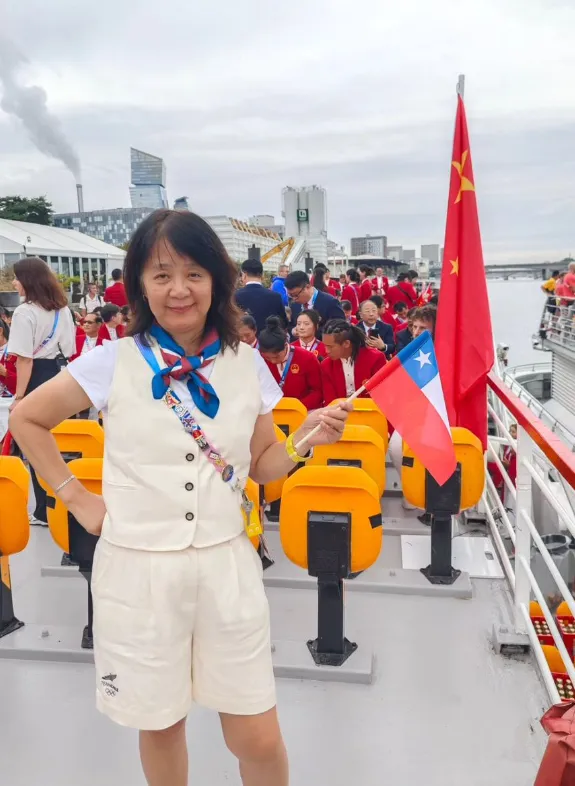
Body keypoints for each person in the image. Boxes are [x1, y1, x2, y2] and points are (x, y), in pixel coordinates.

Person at [9, 208, 349, 786]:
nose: (178, 289)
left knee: (256, 734)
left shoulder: (246, 366)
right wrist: (75, 498)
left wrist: (306, 439)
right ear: (140, 283)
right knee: (161, 725)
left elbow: (265, 468)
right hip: (138, 570)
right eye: (161, 274)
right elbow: (27, 420)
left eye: (193, 273)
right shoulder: (110, 361)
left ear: (215, 279)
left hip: (226, 566)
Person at [7, 257, 75, 525]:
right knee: (62, 442)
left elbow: (24, 359)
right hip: (60, 375)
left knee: (35, 444)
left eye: (17, 277)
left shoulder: (25, 312)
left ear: (28, 281)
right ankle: (63, 502)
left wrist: (19, 397)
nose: (14, 282)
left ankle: (43, 510)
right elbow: (69, 349)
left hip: (34, 378)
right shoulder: (62, 309)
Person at [259, 316, 323, 410]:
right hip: (271, 412)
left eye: (276, 356)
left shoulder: (307, 358)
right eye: (268, 358)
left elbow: (318, 391)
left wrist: (296, 408)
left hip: (302, 411)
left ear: (285, 345)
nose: (273, 361)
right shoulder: (260, 359)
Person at [321, 319, 386, 404]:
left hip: (371, 410)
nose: (326, 351)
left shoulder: (375, 358)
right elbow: (330, 401)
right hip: (339, 413)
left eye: (330, 347)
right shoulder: (326, 365)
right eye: (325, 346)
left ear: (346, 343)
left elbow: (382, 394)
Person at [234, 259, 286, 333]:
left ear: (244, 275)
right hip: (269, 342)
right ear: (262, 275)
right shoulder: (276, 297)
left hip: (244, 341)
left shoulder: (235, 296)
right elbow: (283, 323)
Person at [0, 319, 16, 397]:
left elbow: (27, 383)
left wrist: (5, 372)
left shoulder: (17, 351)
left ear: (0, 331)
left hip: (12, 402)